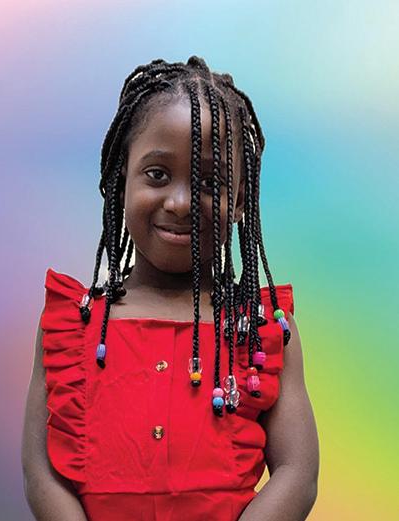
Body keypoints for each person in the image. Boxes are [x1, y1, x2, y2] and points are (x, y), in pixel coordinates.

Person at [21, 56, 319, 521]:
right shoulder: (71, 327)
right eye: (158, 174)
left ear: (240, 200)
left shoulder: (262, 331)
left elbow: (297, 474)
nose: (180, 203)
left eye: (210, 182)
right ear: (121, 181)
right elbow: (41, 473)